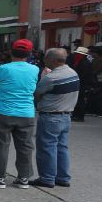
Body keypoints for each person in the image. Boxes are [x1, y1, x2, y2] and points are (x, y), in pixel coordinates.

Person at [0, 39, 40, 189]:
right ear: (29, 54)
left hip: (3, 112)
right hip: (27, 113)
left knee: (2, 145)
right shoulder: (35, 69)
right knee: (25, 146)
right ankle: (23, 178)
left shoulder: (3, 69)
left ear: (11, 52)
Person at [32, 48, 80, 189]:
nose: (44, 60)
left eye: (46, 58)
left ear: (52, 60)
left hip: (50, 116)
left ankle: (47, 178)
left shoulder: (51, 77)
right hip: (66, 116)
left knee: (46, 148)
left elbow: (37, 94)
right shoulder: (73, 73)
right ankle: (63, 177)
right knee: (61, 147)